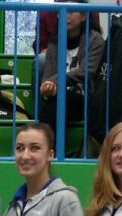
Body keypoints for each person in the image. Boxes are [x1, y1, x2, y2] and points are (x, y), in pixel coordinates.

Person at [38, 0, 106, 154]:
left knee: (58, 103)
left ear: (83, 16)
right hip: (59, 98)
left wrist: (55, 81)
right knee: (54, 103)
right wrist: (47, 87)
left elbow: (86, 71)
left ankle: (50, 152)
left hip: (85, 98)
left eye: (71, 11)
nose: (65, 15)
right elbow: (48, 76)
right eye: (62, 12)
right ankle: (51, 152)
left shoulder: (95, 39)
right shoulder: (55, 42)